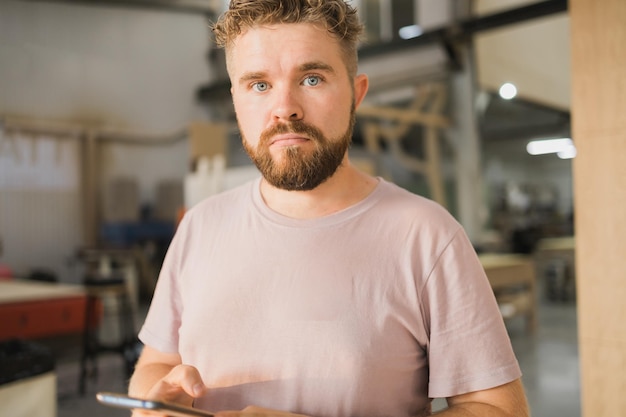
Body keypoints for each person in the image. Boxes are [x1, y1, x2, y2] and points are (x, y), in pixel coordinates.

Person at [128, 1, 530, 416]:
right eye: (259, 85)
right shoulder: (200, 227)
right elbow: (156, 364)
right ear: (235, 100)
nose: (285, 108)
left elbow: (498, 410)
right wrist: (152, 404)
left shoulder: (426, 236)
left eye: (312, 78)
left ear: (357, 94)